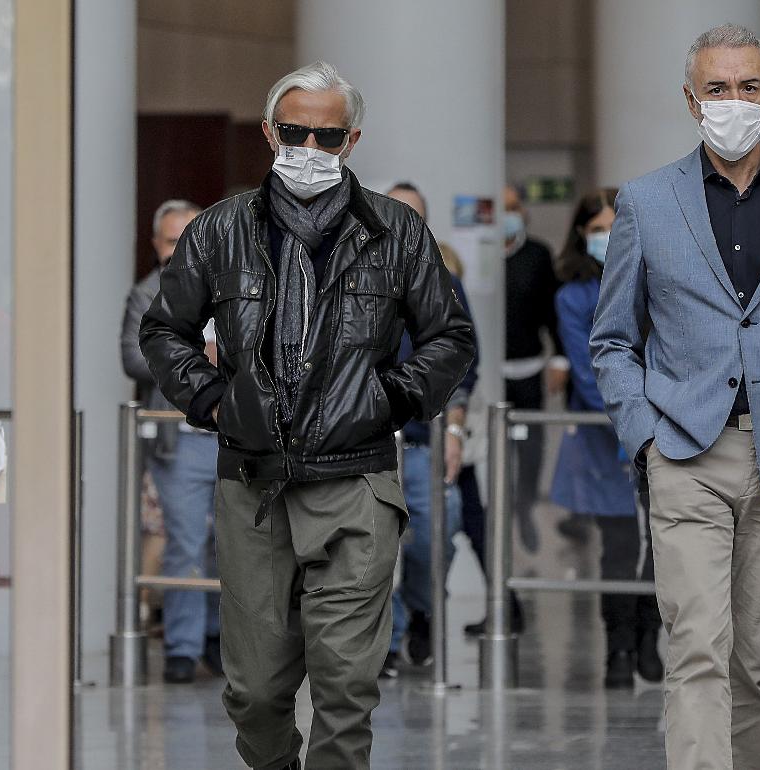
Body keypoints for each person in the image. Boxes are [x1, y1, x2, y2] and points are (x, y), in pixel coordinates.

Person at [139, 61, 475, 770]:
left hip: (357, 485)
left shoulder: (397, 231)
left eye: (328, 135)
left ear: (351, 140)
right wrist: (210, 399)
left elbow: (450, 338)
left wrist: (392, 399)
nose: (310, 148)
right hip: (252, 486)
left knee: (347, 685)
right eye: (295, 131)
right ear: (269, 131)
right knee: (256, 693)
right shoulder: (220, 230)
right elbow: (163, 330)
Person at [590, 24, 760, 769]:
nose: (734, 102)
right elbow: (611, 338)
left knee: (758, 666)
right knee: (698, 652)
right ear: (691, 100)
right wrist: (645, 435)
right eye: (717, 89)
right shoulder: (646, 202)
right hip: (685, 453)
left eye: (748, 87)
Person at [549, 188, 662, 688]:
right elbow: (588, 369)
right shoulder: (573, 295)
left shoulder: (655, 279)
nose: (606, 239)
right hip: (604, 432)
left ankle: (648, 637)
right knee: (617, 543)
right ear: (581, 234)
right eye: (597, 230)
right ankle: (617, 646)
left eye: (614, 228)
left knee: (663, 539)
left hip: (663, 429)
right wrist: (632, 417)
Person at [120, 198, 224, 685]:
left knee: (230, 542)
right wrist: (193, 351)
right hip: (176, 436)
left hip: (232, 434)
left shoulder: (232, 283)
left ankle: (219, 639)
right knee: (184, 541)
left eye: (189, 237)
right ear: (156, 244)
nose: (180, 248)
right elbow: (133, 359)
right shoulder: (146, 293)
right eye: (170, 239)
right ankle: (183, 646)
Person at [379, 182, 479, 678]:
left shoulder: (443, 284)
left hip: (423, 441)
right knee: (372, 547)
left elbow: (464, 363)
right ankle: (387, 642)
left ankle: (421, 610)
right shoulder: (353, 273)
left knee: (432, 536)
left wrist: (454, 434)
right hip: (368, 442)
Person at [502, 183, 567, 553]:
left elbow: (552, 313)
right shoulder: (481, 252)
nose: (508, 214)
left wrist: (559, 358)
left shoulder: (538, 255)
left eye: (513, 206)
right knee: (494, 448)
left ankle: (524, 506)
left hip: (527, 369)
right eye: (502, 206)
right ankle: (499, 506)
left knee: (529, 448)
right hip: (488, 373)